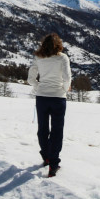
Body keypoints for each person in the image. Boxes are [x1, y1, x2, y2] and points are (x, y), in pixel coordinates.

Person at [27, 33, 72, 177]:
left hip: (42, 97)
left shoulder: (38, 57)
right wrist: (64, 89)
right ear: (59, 44)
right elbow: (67, 78)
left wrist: (38, 86)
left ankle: (46, 156)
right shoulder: (62, 58)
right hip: (58, 98)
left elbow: (30, 78)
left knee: (43, 129)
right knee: (57, 131)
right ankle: (53, 164)